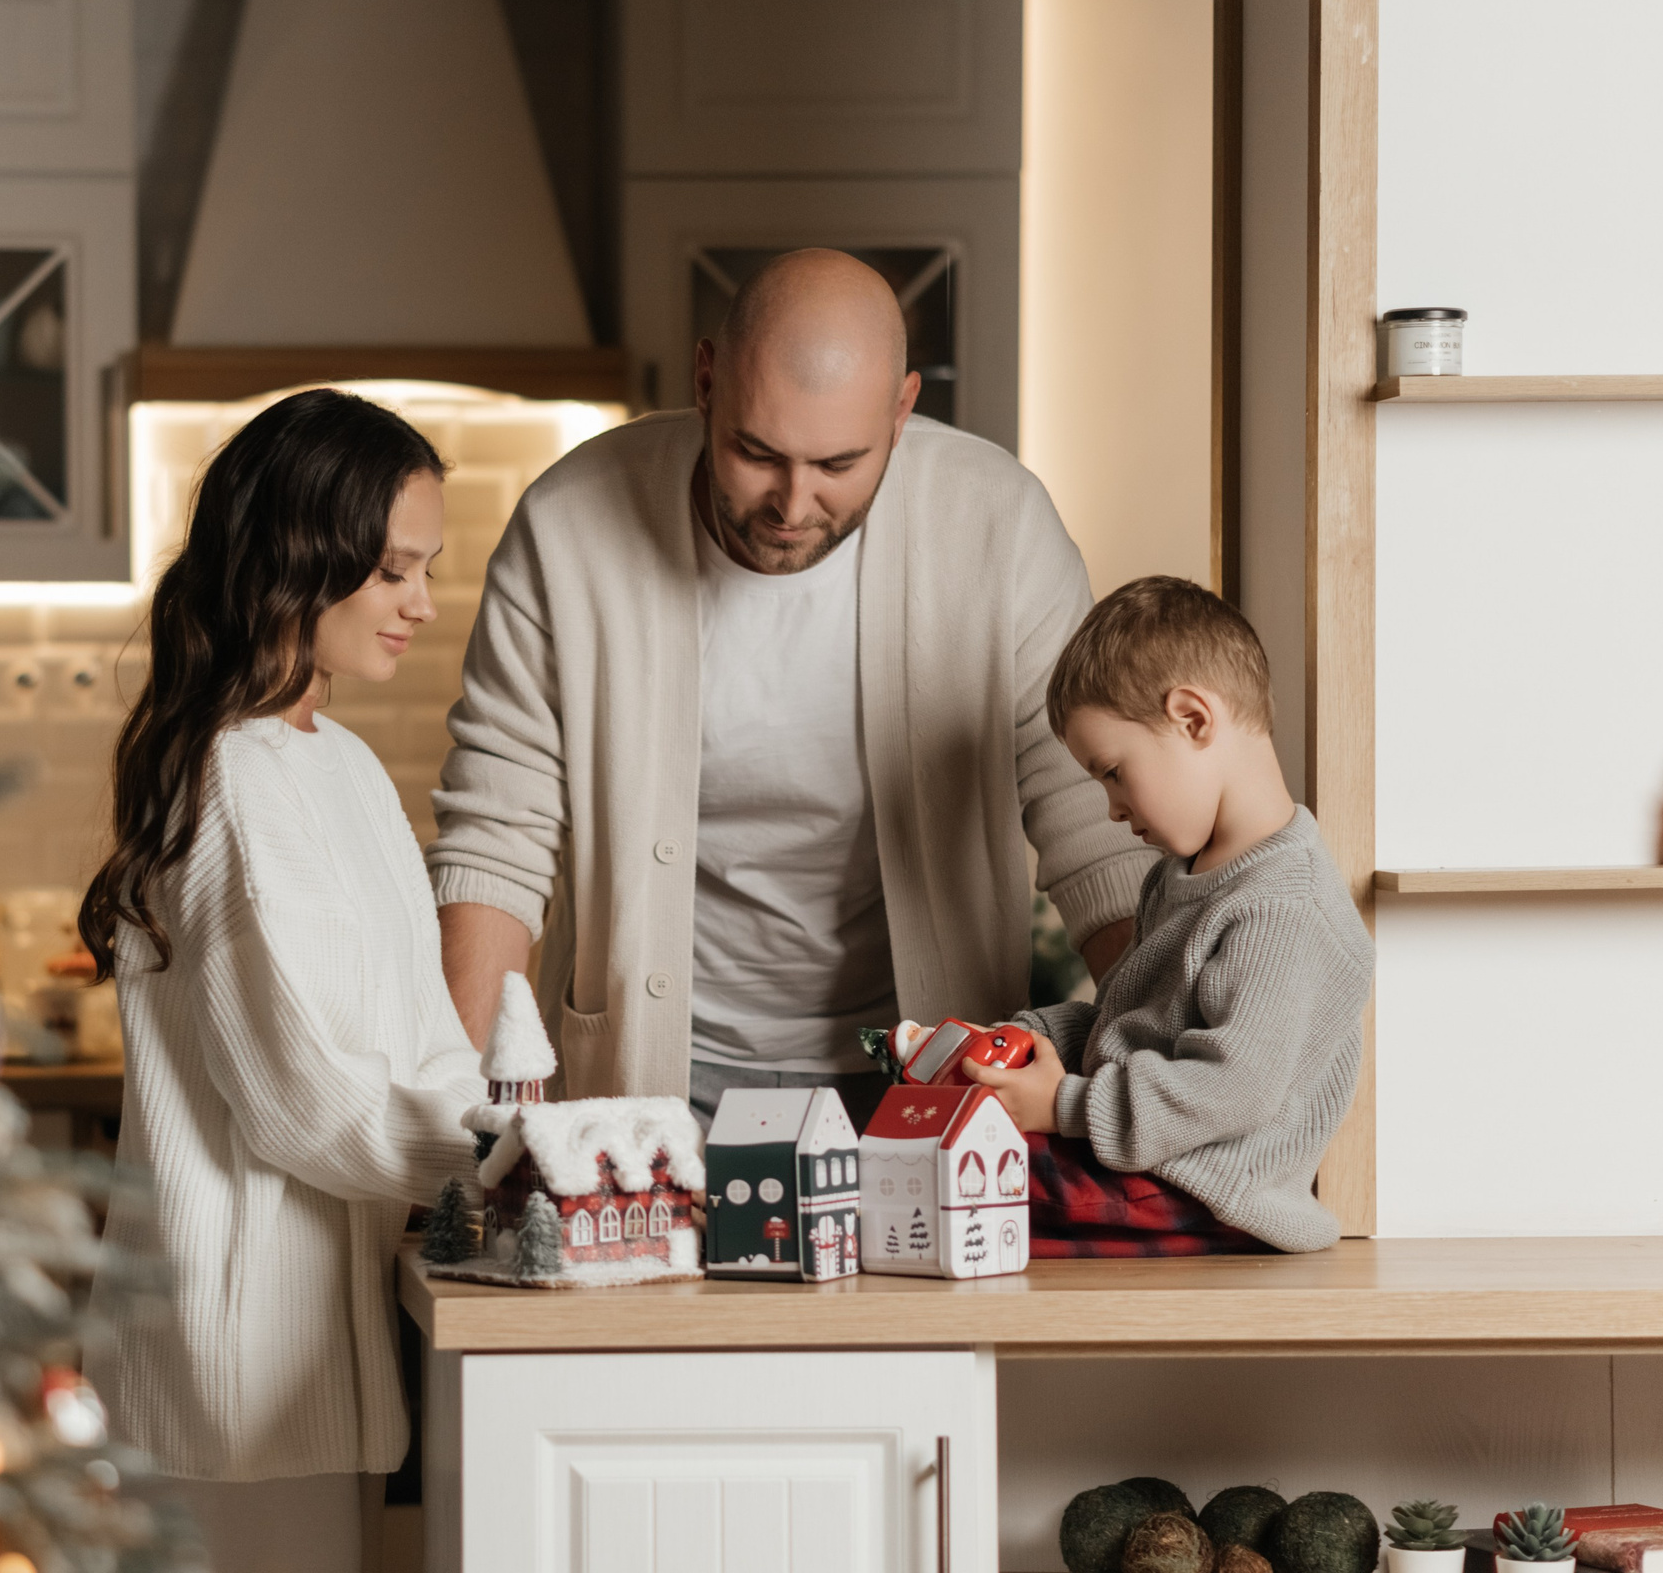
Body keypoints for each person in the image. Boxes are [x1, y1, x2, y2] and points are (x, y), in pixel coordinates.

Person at [428, 248, 1156, 1125]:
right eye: (755, 452)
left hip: (925, 1075)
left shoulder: (998, 525)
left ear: (902, 409)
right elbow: (496, 846)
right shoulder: (568, 524)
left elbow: (1099, 837)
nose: (792, 503)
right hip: (649, 1073)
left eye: (838, 464)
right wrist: (456, 1140)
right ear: (705, 380)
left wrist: (1157, 1101)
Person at [79, 389, 482, 1573]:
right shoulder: (232, 774)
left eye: (428, 568)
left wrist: (496, 1134)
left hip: (314, 1351)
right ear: (299, 562)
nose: (421, 601)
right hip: (228, 1356)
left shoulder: (345, 769)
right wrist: (499, 1162)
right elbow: (303, 1098)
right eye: (394, 569)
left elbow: (423, 1044)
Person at [958, 576, 1375, 1254]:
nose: (1113, 808)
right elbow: (1125, 1026)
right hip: (1143, 1159)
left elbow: (1232, 1088)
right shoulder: (1177, 880)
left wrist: (1063, 1104)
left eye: (1115, 772)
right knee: (948, 1139)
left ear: (1193, 719)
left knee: (955, 1176)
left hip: (1201, 1185)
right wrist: (1024, 1038)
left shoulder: (1284, 905)